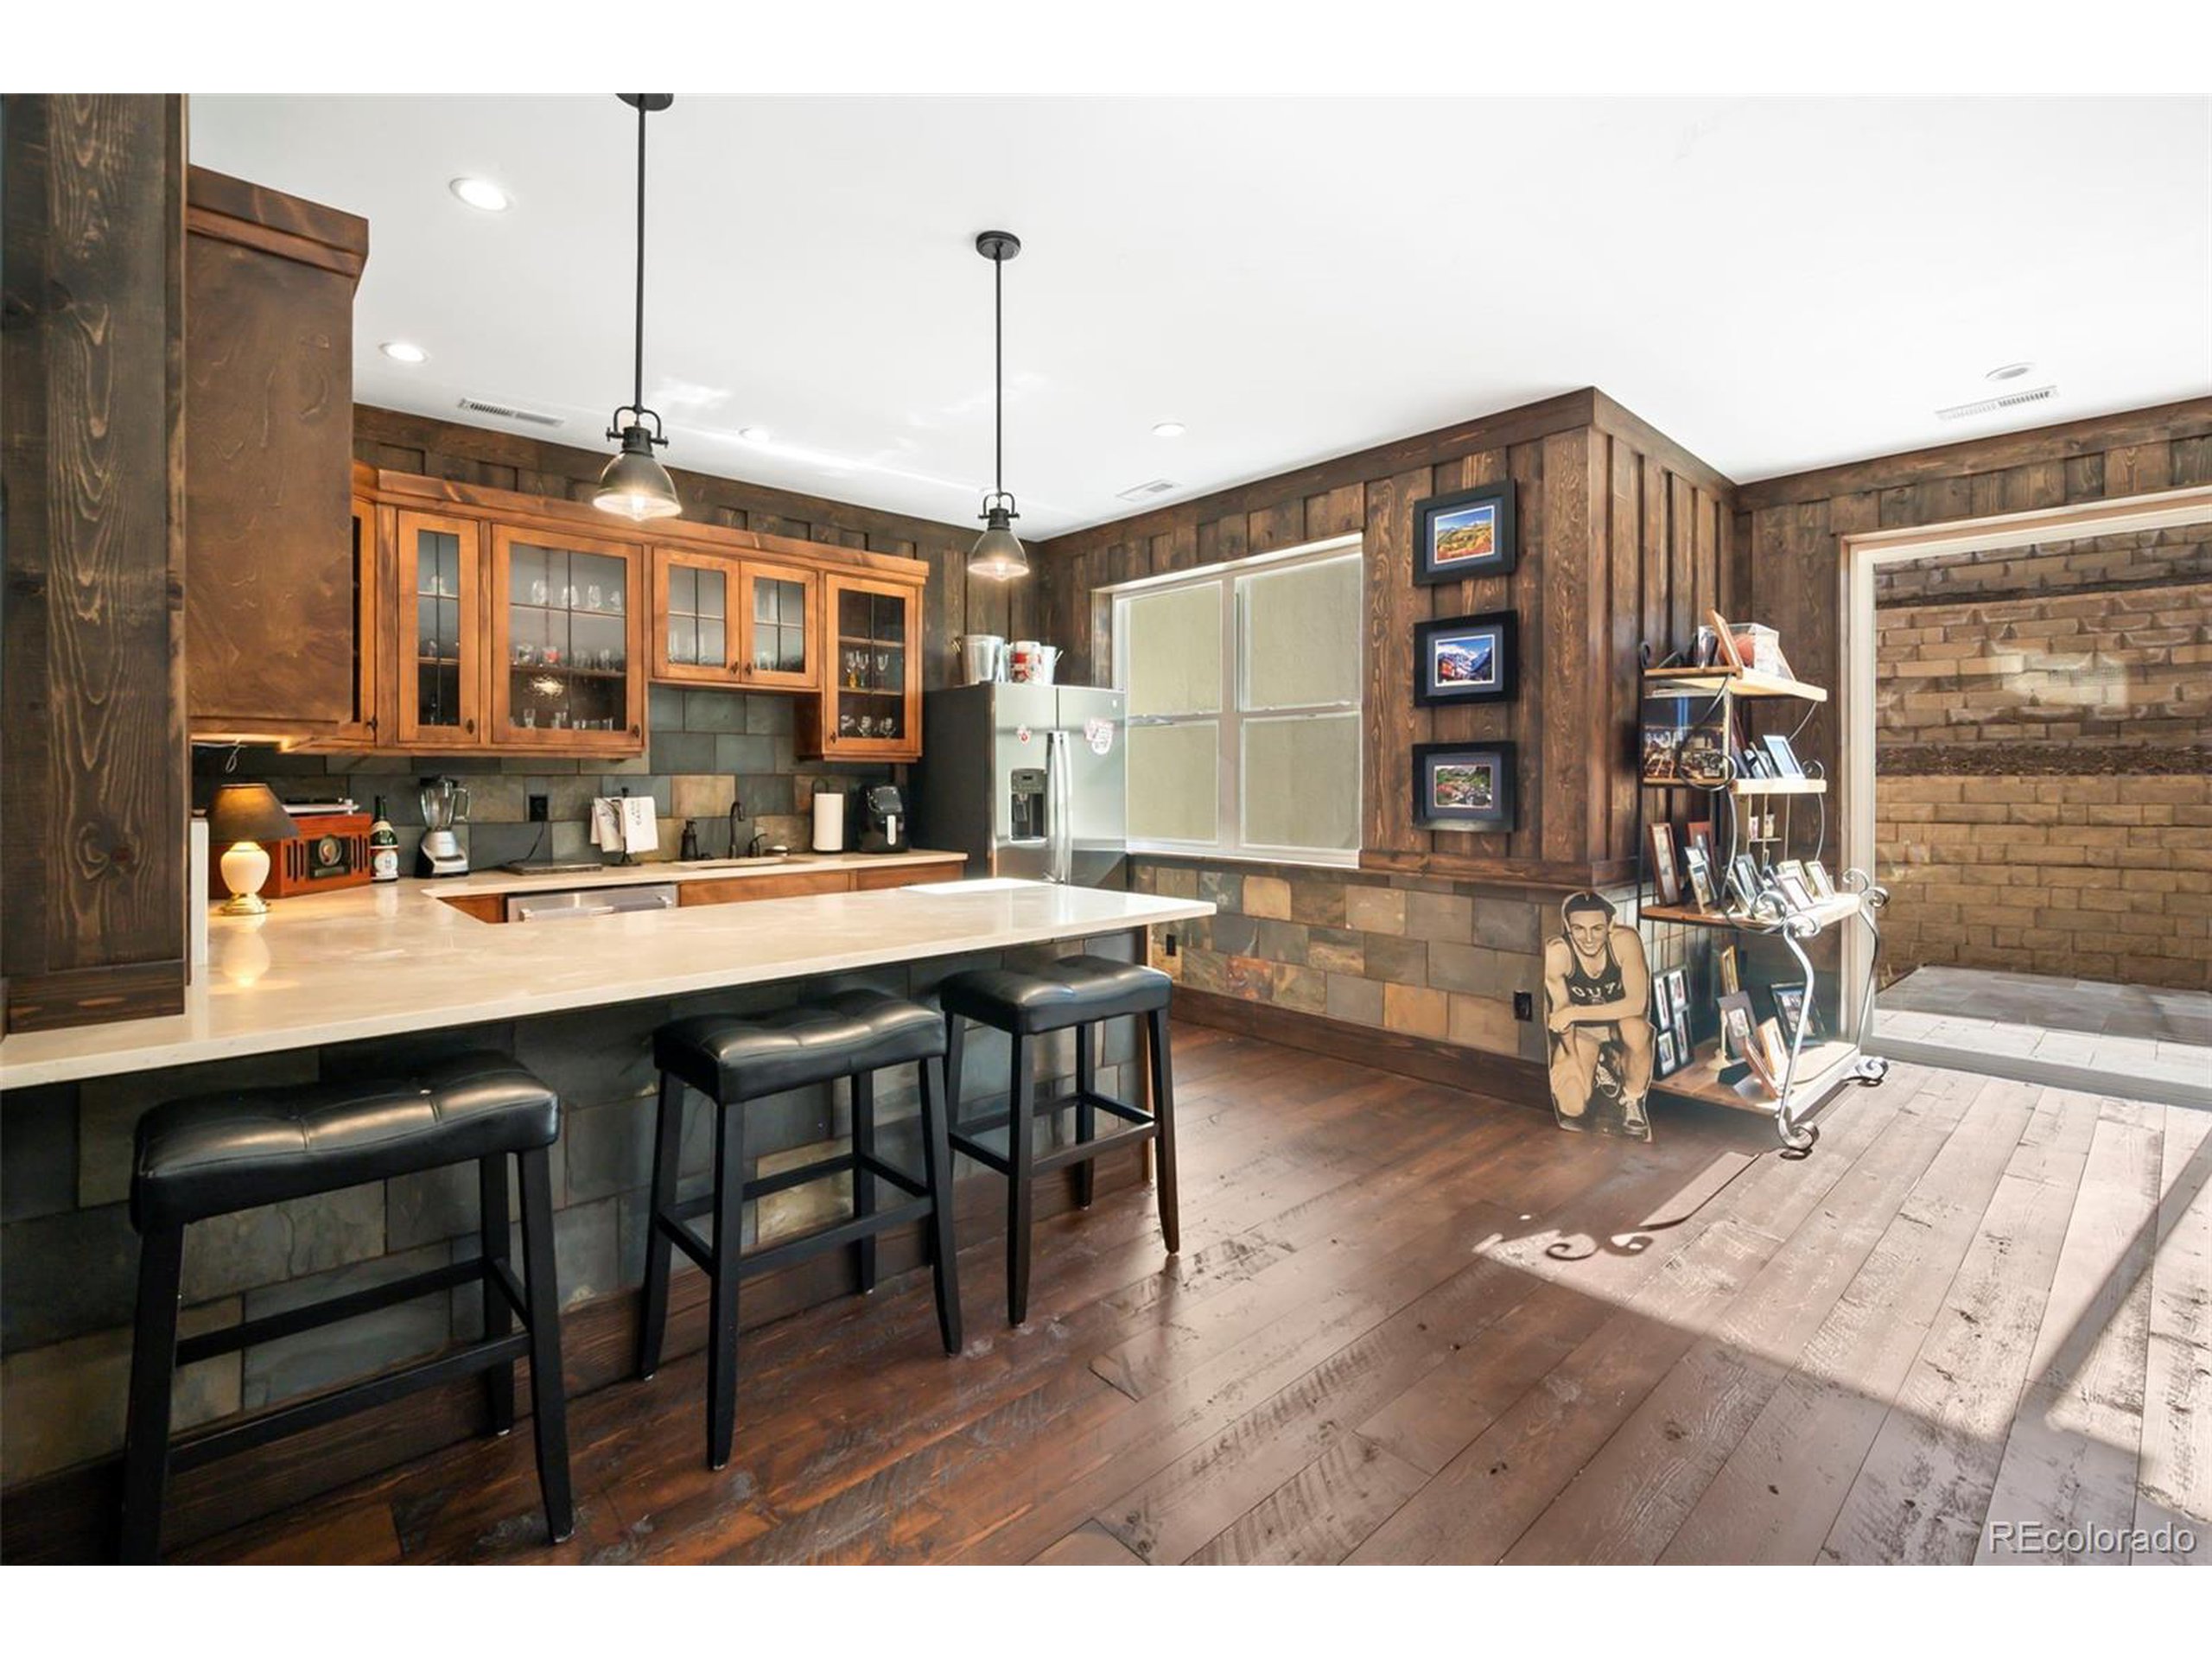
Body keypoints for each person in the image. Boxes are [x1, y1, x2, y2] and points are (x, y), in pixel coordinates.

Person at [1543, 890, 1653, 1138]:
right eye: (1579, 929)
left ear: (1610, 925)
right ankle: (1601, 1066)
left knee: (1636, 1030)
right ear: (1568, 927)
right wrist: (1573, 1059)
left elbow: (1637, 1004)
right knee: (1571, 1105)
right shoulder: (1558, 953)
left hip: (1621, 1024)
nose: (1589, 938)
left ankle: (1632, 1099)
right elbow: (1562, 1017)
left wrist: (1575, 1011)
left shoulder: (1625, 941)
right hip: (1584, 1031)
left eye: (1597, 929)